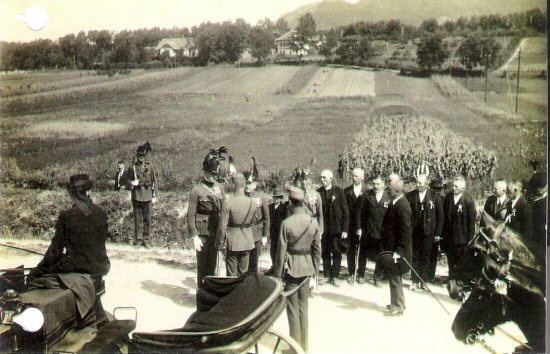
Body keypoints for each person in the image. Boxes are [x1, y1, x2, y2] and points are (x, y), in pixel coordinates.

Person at [27, 174, 110, 324]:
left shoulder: (67, 216)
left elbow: (54, 252)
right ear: (89, 191)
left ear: (72, 194)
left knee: (34, 283)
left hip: (78, 269)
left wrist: (36, 272)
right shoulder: (101, 214)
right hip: (99, 267)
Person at [274, 187, 321, 353]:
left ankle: (294, 348)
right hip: (307, 268)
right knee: (304, 309)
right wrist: (315, 271)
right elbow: (317, 250)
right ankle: (304, 347)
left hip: (292, 268)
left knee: (292, 310)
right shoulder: (313, 222)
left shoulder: (286, 223)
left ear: (291, 203)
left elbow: (281, 253)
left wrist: (277, 277)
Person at [187, 150, 225, 288]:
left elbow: (225, 210)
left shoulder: (220, 188)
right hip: (202, 233)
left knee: (213, 264)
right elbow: (190, 214)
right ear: (205, 172)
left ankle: (211, 293)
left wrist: (223, 232)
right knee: (202, 265)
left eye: (216, 174)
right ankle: (202, 293)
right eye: (212, 173)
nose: (214, 176)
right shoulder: (196, 190)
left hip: (215, 231)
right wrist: (194, 236)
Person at [406, 174, 443, 290]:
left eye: (420, 183)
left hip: (429, 233)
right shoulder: (411, 196)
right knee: (415, 257)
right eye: (417, 182)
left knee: (426, 258)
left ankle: (424, 281)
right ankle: (415, 280)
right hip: (415, 232)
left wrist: (437, 233)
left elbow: (440, 216)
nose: (417, 185)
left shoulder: (434, 196)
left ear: (426, 184)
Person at [381, 179, 412, 316]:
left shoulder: (402, 206)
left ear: (397, 191)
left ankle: (398, 306)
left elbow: (405, 232)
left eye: (390, 190)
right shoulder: (396, 202)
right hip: (393, 247)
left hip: (398, 250)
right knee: (393, 276)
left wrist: (399, 251)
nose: (388, 192)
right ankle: (396, 302)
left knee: (395, 277)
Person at [217, 174, 255, 276]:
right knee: (244, 274)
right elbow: (253, 222)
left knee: (231, 275)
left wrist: (220, 242)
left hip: (233, 241)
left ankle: (232, 291)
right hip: (247, 240)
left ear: (233, 185)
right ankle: (243, 291)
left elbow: (222, 226)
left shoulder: (228, 202)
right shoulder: (252, 202)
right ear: (243, 186)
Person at [317, 169, 349, 287]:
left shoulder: (339, 192)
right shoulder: (318, 192)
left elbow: (346, 212)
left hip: (336, 229)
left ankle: (335, 276)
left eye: (325, 177)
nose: (322, 180)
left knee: (336, 252)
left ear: (331, 179)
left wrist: (344, 230)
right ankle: (326, 275)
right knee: (325, 252)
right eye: (321, 177)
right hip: (324, 229)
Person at [357, 175, 391, 284]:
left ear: (384, 185)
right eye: (374, 184)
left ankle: (377, 277)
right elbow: (360, 213)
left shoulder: (389, 197)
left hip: (381, 232)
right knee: (363, 253)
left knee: (380, 256)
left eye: (378, 184)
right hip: (367, 231)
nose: (375, 186)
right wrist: (359, 228)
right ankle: (360, 275)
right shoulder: (367, 195)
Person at [442, 176, 476, 282]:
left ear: (462, 189)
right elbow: (444, 217)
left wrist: (469, 239)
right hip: (449, 237)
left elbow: (471, 221)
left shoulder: (468, 201)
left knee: (461, 262)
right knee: (450, 261)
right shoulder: (448, 198)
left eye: (456, 186)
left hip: (462, 239)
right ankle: (452, 281)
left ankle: (460, 282)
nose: (454, 188)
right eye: (453, 186)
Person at [127, 142, 156, 247]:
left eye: (143, 156)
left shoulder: (150, 167)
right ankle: (139, 239)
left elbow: (154, 181)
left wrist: (155, 195)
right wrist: (132, 183)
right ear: (137, 156)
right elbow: (127, 181)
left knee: (147, 219)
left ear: (145, 156)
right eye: (139, 156)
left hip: (148, 195)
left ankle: (146, 239)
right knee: (138, 219)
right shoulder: (132, 168)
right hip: (137, 195)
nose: (141, 158)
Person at [343, 167, 369, 284]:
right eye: (353, 176)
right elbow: (345, 210)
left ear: (362, 177)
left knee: (363, 250)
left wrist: (363, 227)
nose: (354, 178)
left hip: (363, 226)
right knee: (351, 249)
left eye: (357, 176)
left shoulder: (367, 191)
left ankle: (361, 274)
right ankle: (351, 272)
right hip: (350, 225)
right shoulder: (347, 191)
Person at [244, 171, 270, 272]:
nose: (247, 184)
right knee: (244, 261)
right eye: (247, 182)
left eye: (250, 182)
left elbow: (266, 216)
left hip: (257, 233)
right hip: (245, 232)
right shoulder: (243, 195)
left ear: (255, 184)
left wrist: (265, 235)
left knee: (254, 260)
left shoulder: (262, 196)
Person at [426, 178, 445, 282]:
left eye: (439, 189)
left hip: (438, 230)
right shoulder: (428, 197)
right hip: (428, 229)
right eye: (435, 188)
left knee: (433, 254)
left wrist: (439, 232)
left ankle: (430, 275)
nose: (437, 191)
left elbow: (442, 217)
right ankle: (424, 274)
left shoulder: (442, 199)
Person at [266, 187, 288, 274]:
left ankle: (280, 268)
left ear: (280, 198)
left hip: (280, 232)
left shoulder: (284, 208)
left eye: (278, 197)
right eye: (275, 197)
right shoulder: (269, 207)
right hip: (272, 232)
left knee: (281, 250)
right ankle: (274, 266)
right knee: (273, 249)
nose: (276, 199)